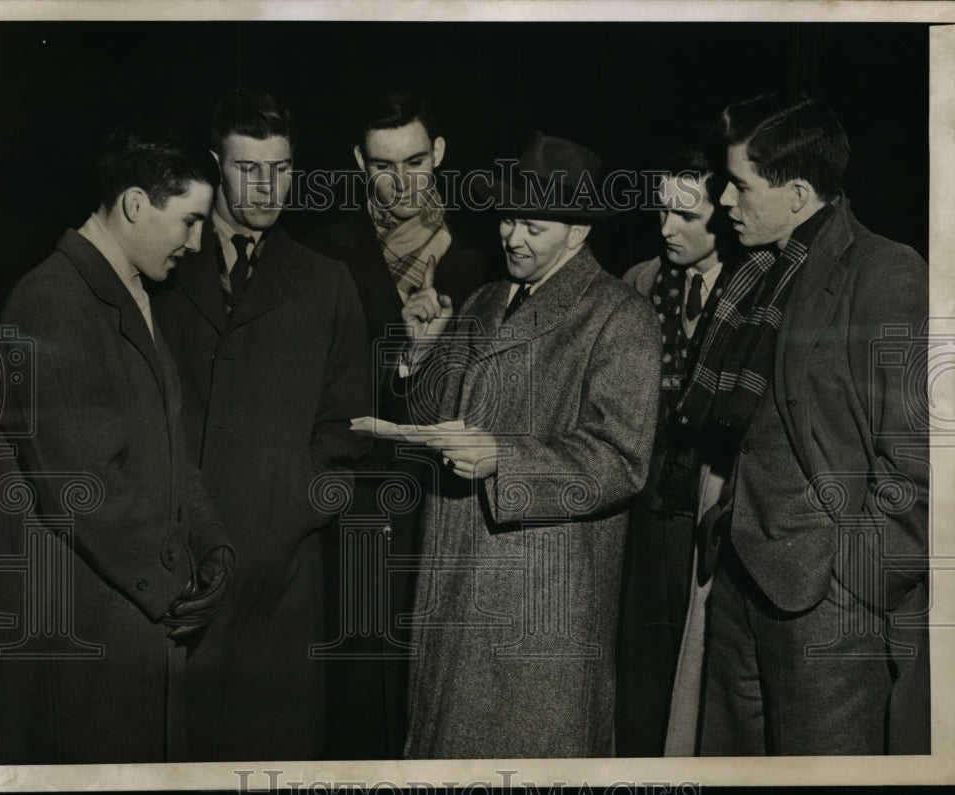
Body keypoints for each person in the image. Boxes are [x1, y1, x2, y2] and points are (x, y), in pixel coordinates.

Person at [673, 93, 929, 755]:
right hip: (737, 581)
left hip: (829, 604)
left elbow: (921, 462)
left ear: (799, 193)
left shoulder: (885, 273)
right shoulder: (756, 269)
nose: (723, 200)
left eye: (740, 185)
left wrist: (855, 583)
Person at [399, 133, 660, 758]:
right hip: (456, 578)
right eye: (508, 218)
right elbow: (439, 419)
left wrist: (505, 461)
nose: (512, 236)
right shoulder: (486, 299)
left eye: (533, 224)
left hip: (543, 596)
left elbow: (621, 460)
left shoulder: (620, 317)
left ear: (578, 232)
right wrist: (423, 353)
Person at [0, 121, 234, 763]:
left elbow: (173, 452)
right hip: (91, 636)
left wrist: (213, 547)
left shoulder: (133, 293)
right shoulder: (51, 300)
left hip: (136, 622)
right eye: (189, 220)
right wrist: (178, 580)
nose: (197, 241)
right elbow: (84, 482)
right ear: (132, 204)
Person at [151, 88, 371, 761]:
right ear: (216, 163)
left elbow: (347, 433)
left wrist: (288, 517)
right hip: (167, 571)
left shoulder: (327, 283)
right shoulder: (160, 269)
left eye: (282, 168)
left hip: (281, 587)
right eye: (249, 168)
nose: (268, 186)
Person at [305, 89, 485, 759]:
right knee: (355, 712)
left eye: (415, 161)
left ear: (439, 154)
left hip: (452, 511)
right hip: (353, 517)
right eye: (383, 166)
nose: (402, 182)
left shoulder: (487, 262)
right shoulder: (320, 260)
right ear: (358, 162)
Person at [615, 126, 737, 757]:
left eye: (685, 214)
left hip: (708, 516)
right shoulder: (636, 284)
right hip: (644, 512)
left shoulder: (751, 293)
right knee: (640, 674)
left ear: (726, 213)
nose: (667, 227)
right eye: (661, 209)